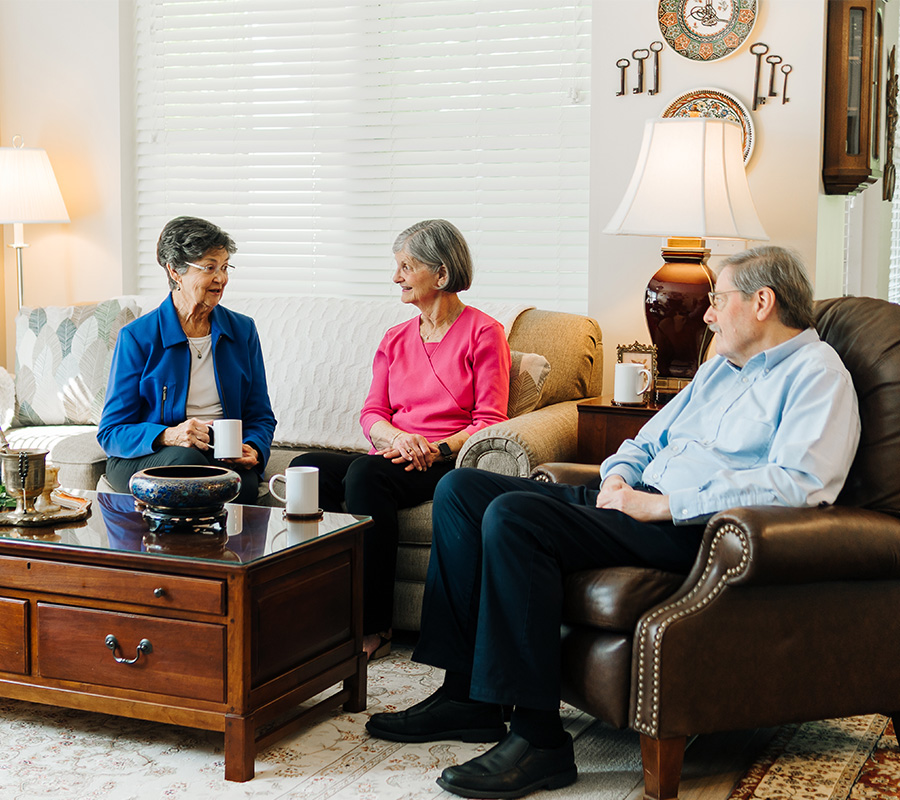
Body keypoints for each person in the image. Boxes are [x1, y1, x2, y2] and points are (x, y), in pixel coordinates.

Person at [365, 245, 861, 799]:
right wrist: (618, 481)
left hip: (695, 530)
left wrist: (663, 506)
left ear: (762, 302)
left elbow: (800, 484)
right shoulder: (721, 368)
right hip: (635, 504)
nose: (709, 313)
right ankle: (467, 697)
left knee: (515, 516)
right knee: (461, 489)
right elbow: (645, 439)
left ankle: (539, 741)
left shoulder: (818, 375)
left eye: (718, 300)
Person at [291, 219, 511, 661]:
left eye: (406, 267)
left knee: (366, 475)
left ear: (442, 274)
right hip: (395, 451)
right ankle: (317, 608)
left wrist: (435, 447)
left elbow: (490, 421)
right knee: (305, 469)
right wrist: (397, 437)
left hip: (445, 460)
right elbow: (372, 413)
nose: (397, 278)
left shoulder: (484, 333)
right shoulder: (395, 338)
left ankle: (373, 625)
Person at [98, 216, 276, 505]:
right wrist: (168, 435)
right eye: (209, 268)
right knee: (189, 463)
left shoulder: (242, 331)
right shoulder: (138, 337)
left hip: (220, 453)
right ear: (175, 271)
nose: (221, 278)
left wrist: (254, 448)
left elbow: (260, 415)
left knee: (239, 482)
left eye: (224, 267)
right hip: (149, 456)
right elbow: (111, 431)